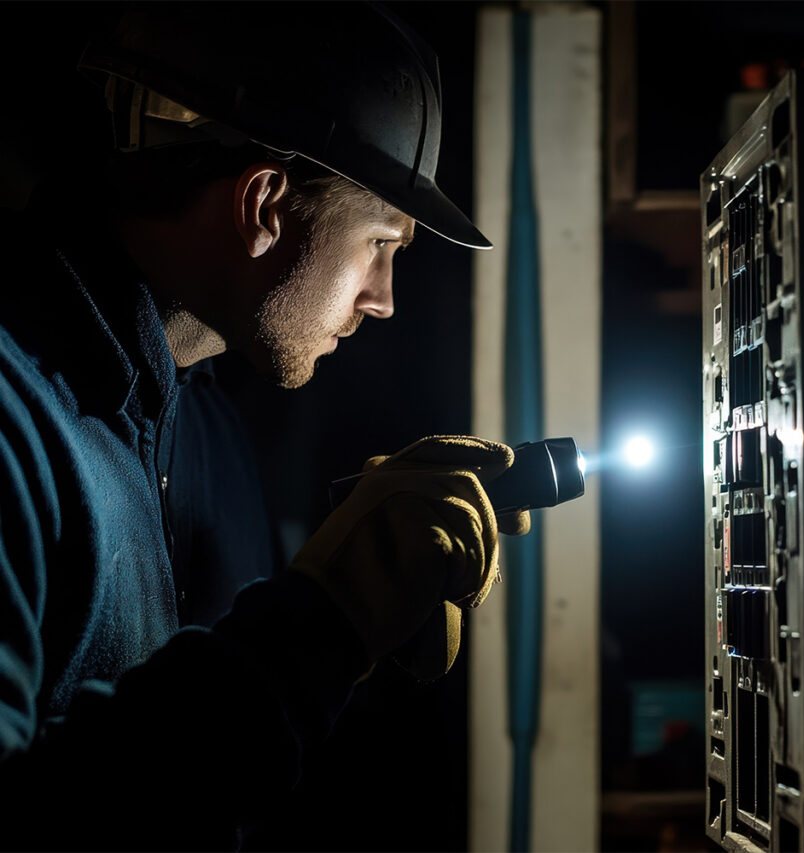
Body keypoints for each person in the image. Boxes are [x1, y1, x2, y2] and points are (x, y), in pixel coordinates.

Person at [0, 3, 525, 848]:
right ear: (266, 203)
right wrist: (321, 620)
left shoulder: (207, 434)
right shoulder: (15, 424)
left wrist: (359, 647)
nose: (383, 300)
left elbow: (222, 782)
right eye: (380, 244)